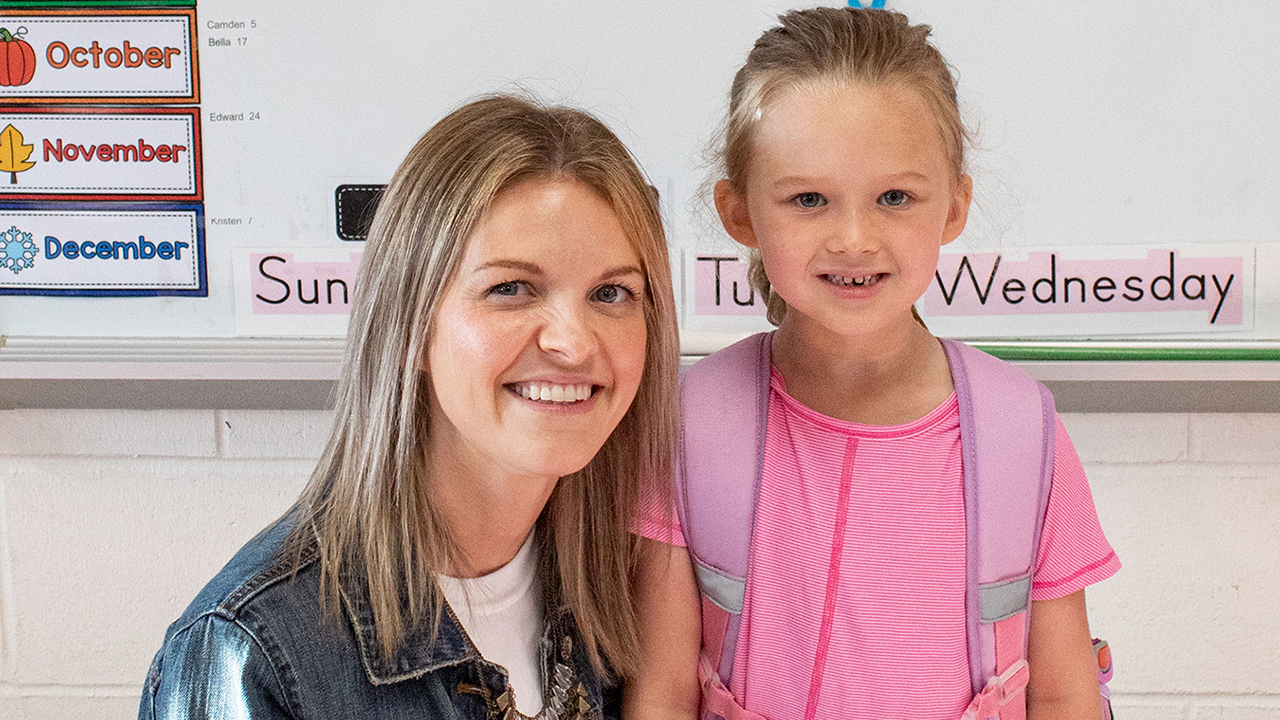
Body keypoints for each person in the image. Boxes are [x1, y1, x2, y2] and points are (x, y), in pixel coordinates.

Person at [631, 8, 1120, 720]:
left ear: (953, 207)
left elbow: (1065, 694)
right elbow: (662, 694)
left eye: (895, 197)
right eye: (808, 199)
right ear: (740, 215)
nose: (854, 239)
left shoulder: (1023, 432)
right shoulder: (689, 423)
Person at [138, 94, 681, 720]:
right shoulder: (251, 652)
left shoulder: (620, 590)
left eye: (611, 293)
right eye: (510, 289)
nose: (574, 340)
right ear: (408, 326)